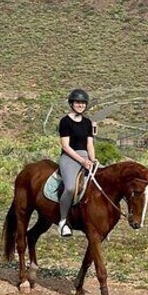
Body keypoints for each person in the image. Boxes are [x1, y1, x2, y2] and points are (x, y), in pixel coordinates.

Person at [57, 88, 96, 237]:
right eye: (77, 102)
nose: (80, 105)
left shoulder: (87, 122)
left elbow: (90, 145)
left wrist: (93, 159)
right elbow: (65, 146)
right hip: (70, 157)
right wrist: (82, 161)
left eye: (83, 103)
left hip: (86, 157)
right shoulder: (65, 121)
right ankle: (63, 221)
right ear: (72, 103)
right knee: (70, 188)